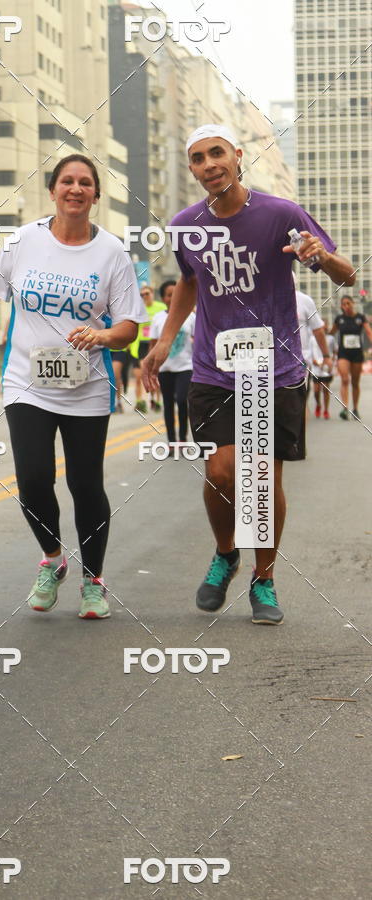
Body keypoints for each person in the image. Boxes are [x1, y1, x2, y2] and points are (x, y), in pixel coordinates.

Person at [0, 153, 147, 619]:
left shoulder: (112, 253)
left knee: (85, 485)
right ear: (53, 190)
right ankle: (53, 558)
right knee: (34, 479)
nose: (76, 189)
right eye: (67, 181)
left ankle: (94, 581)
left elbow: (129, 327)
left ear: (96, 195)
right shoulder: (23, 241)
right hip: (27, 382)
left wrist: (102, 336)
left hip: (87, 386)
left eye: (85, 183)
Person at [143, 123, 354, 625]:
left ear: (238, 156)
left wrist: (321, 256)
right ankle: (226, 553)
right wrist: (166, 339)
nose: (209, 164)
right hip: (214, 368)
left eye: (217, 153)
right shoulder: (185, 224)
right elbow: (189, 282)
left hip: (274, 370)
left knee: (262, 478)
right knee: (220, 471)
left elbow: (347, 275)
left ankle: (264, 579)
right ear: (192, 170)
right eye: (198, 158)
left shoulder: (281, 214)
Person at [150, 281, 195, 446]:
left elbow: (199, 341)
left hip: (186, 367)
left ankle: (182, 437)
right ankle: (171, 441)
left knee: (182, 400)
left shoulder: (191, 316)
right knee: (168, 404)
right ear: (163, 298)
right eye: (169, 295)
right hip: (164, 368)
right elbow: (153, 344)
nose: (173, 297)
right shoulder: (158, 318)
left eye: (176, 293)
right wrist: (152, 368)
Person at [331, 295, 372, 420]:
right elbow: (331, 333)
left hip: (357, 353)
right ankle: (345, 408)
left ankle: (355, 408)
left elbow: (369, 332)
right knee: (344, 379)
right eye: (344, 304)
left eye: (348, 303)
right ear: (341, 306)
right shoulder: (339, 319)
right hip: (343, 353)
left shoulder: (360, 317)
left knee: (355, 382)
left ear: (353, 303)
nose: (346, 306)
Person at [129, 284, 166, 413]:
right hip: (140, 345)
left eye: (147, 294)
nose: (144, 296)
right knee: (139, 376)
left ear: (152, 294)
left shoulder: (161, 307)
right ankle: (140, 402)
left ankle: (156, 400)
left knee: (154, 374)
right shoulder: (138, 309)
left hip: (155, 344)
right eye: (142, 295)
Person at [294, 284, 331, 409]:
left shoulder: (304, 300)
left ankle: (321, 408)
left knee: (300, 401)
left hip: (302, 361)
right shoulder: (267, 298)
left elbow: (318, 330)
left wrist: (327, 357)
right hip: (273, 362)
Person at [310, 325, 336, 419]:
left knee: (325, 390)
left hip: (326, 368)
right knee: (316, 391)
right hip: (316, 368)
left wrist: (331, 362)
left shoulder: (331, 339)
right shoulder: (312, 339)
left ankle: (326, 410)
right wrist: (315, 362)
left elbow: (334, 352)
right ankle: (318, 405)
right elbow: (310, 353)